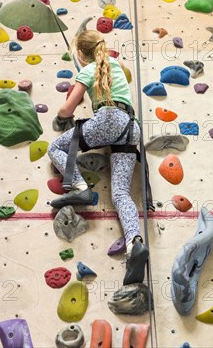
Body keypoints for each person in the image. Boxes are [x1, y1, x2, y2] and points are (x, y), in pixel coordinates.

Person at [48, 29, 146, 261]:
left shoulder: (88, 70)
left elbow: (66, 110)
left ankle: (81, 188)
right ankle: (135, 243)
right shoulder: (116, 64)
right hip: (131, 127)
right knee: (121, 193)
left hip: (106, 121)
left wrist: (62, 117)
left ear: (81, 54)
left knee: (56, 148)